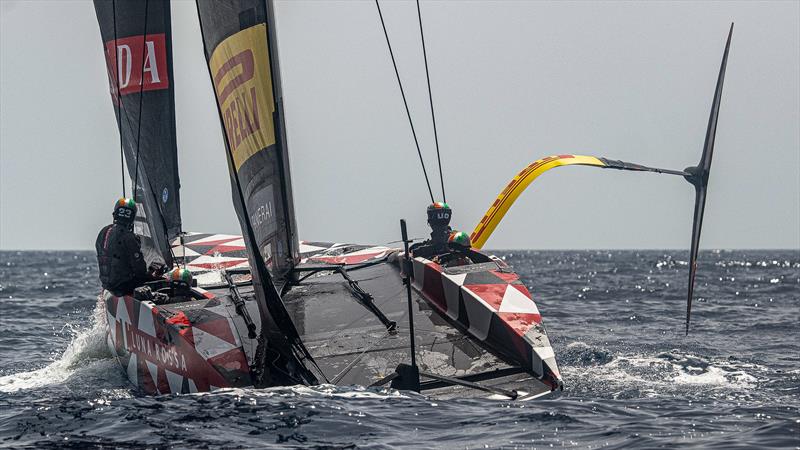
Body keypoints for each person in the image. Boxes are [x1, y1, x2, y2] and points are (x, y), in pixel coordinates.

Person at [95, 198, 161, 295]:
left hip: (107, 285)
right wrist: (153, 272)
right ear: (132, 218)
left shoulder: (103, 231)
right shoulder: (128, 237)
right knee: (163, 281)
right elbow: (140, 271)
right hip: (123, 287)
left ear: (114, 214)